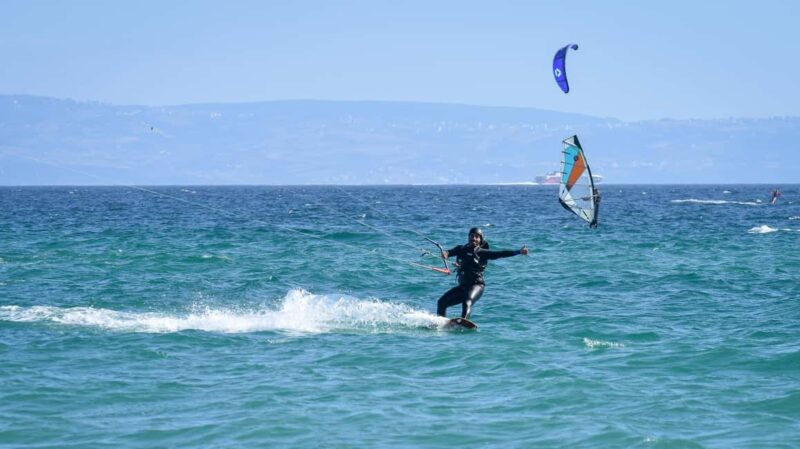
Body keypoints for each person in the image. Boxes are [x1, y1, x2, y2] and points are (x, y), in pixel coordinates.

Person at [436, 227, 528, 319]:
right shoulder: (460, 249)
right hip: (463, 286)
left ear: (480, 240)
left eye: (477, 237)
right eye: (472, 236)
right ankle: (440, 323)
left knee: (467, 301)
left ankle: (463, 322)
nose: (474, 238)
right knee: (441, 302)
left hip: (477, 285)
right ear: (468, 237)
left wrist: (519, 252)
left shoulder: (482, 253)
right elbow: (449, 252)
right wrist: (445, 254)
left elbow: (501, 253)